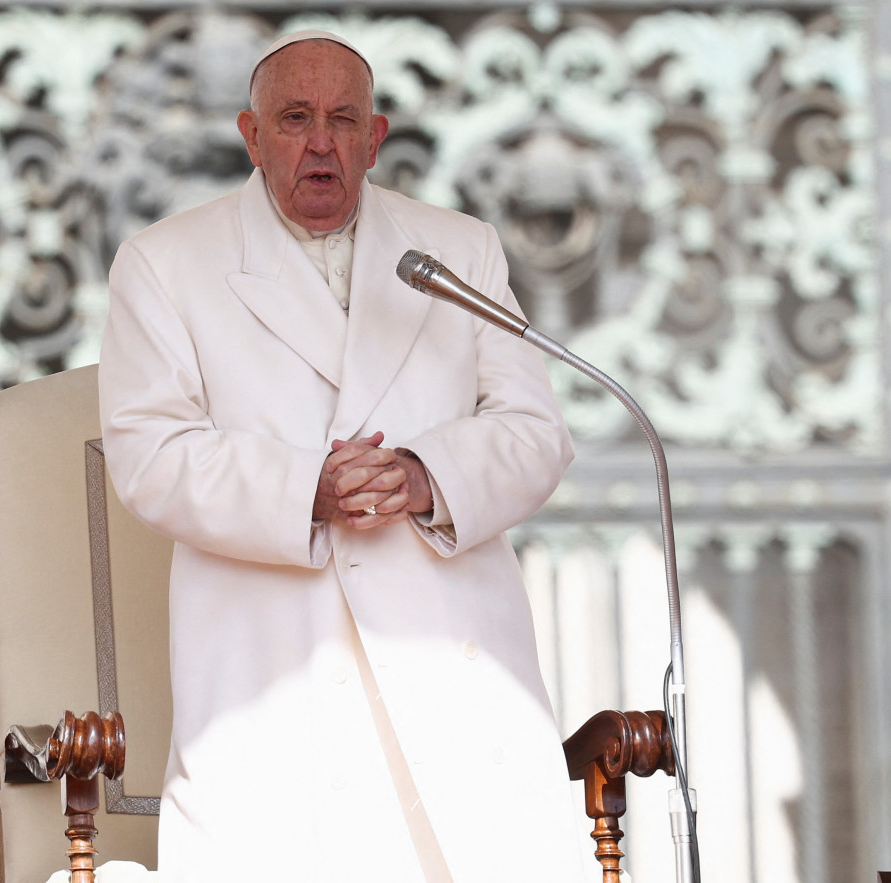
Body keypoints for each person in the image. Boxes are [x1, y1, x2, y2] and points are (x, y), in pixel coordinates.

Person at [99, 29, 588, 883]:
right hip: (273, 671)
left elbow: (536, 432)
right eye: (294, 118)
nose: (320, 142)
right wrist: (307, 489)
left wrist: (424, 473)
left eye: (342, 119)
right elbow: (149, 456)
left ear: (376, 137)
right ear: (251, 135)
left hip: (454, 663)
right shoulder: (165, 264)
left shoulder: (459, 250)